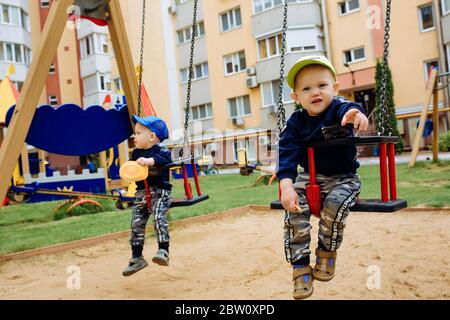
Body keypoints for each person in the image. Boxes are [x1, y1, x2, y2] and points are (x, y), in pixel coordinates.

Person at [276, 55, 369, 299]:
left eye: (322, 85)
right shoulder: (296, 122)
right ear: (296, 97)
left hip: (343, 178)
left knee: (335, 205)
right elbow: (286, 156)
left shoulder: (338, 109)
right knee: (294, 214)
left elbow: (349, 108)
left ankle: (327, 252)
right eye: (306, 88)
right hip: (308, 179)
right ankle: (299, 267)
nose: (315, 92)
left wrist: (354, 115)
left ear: (335, 88)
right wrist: (287, 186)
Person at [122, 115, 173, 277]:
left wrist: (150, 161)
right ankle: (137, 257)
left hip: (160, 192)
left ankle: (163, 250)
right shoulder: (136, 153)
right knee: (136, 223)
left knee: (158, 218)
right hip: (142, 194)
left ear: (151, 137)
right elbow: (132, 169)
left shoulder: (161, 150)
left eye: (137, 133)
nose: (134, 137)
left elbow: (165, 158)